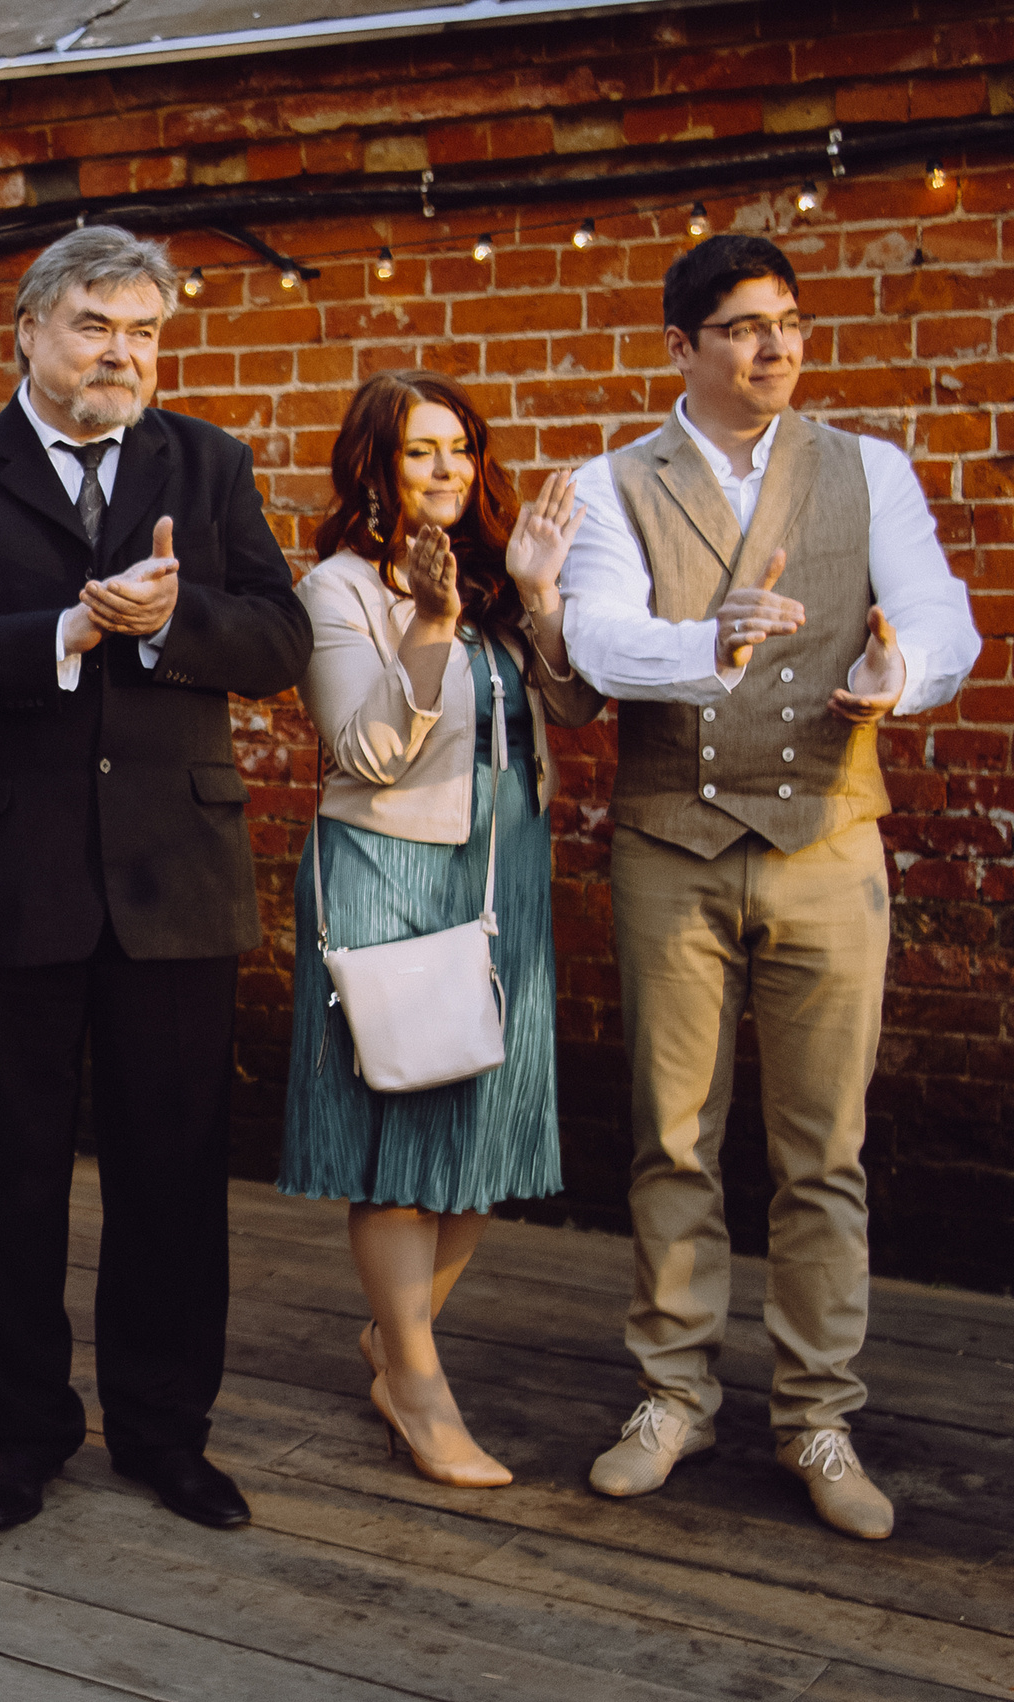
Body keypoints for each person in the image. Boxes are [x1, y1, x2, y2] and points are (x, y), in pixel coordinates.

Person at [0, 226, 309, 1533]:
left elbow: (278, 637)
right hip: (8, 879)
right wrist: (64, 629)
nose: (125, 353)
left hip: (177, 873)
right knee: (3, 1177)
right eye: (98, 327)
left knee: (172, 1177)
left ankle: (166, 1433)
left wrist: (173, 619)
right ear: (31, 331)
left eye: (146, 331)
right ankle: (22, 1434)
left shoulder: (206, 465)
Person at [561, 234, 979, 1541]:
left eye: (789, 322)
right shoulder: (613, 483)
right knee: (672, 1137)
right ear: (681, 345)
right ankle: (672, 1395)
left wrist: (896, 676)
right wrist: (713, 636)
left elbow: (943, 613)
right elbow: (595, 636)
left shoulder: (874, 470)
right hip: (670, 847)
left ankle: (816, 1412)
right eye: (743, 326)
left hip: (828, 844)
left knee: (823, 1152)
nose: (775, 347)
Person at [281, 371, 606, 1487]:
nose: (447, 472)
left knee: (487, 1131)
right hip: (390, 869)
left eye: (460, 450)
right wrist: (425, 623)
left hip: (502, 871)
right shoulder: (336, 590)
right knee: (406, 1143)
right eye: (421, 451)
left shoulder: (492, 577)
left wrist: (541, 595)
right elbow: (366, 751)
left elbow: (567, 708)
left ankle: (392, 1334)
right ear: (372, 464)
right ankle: (416, 1386)